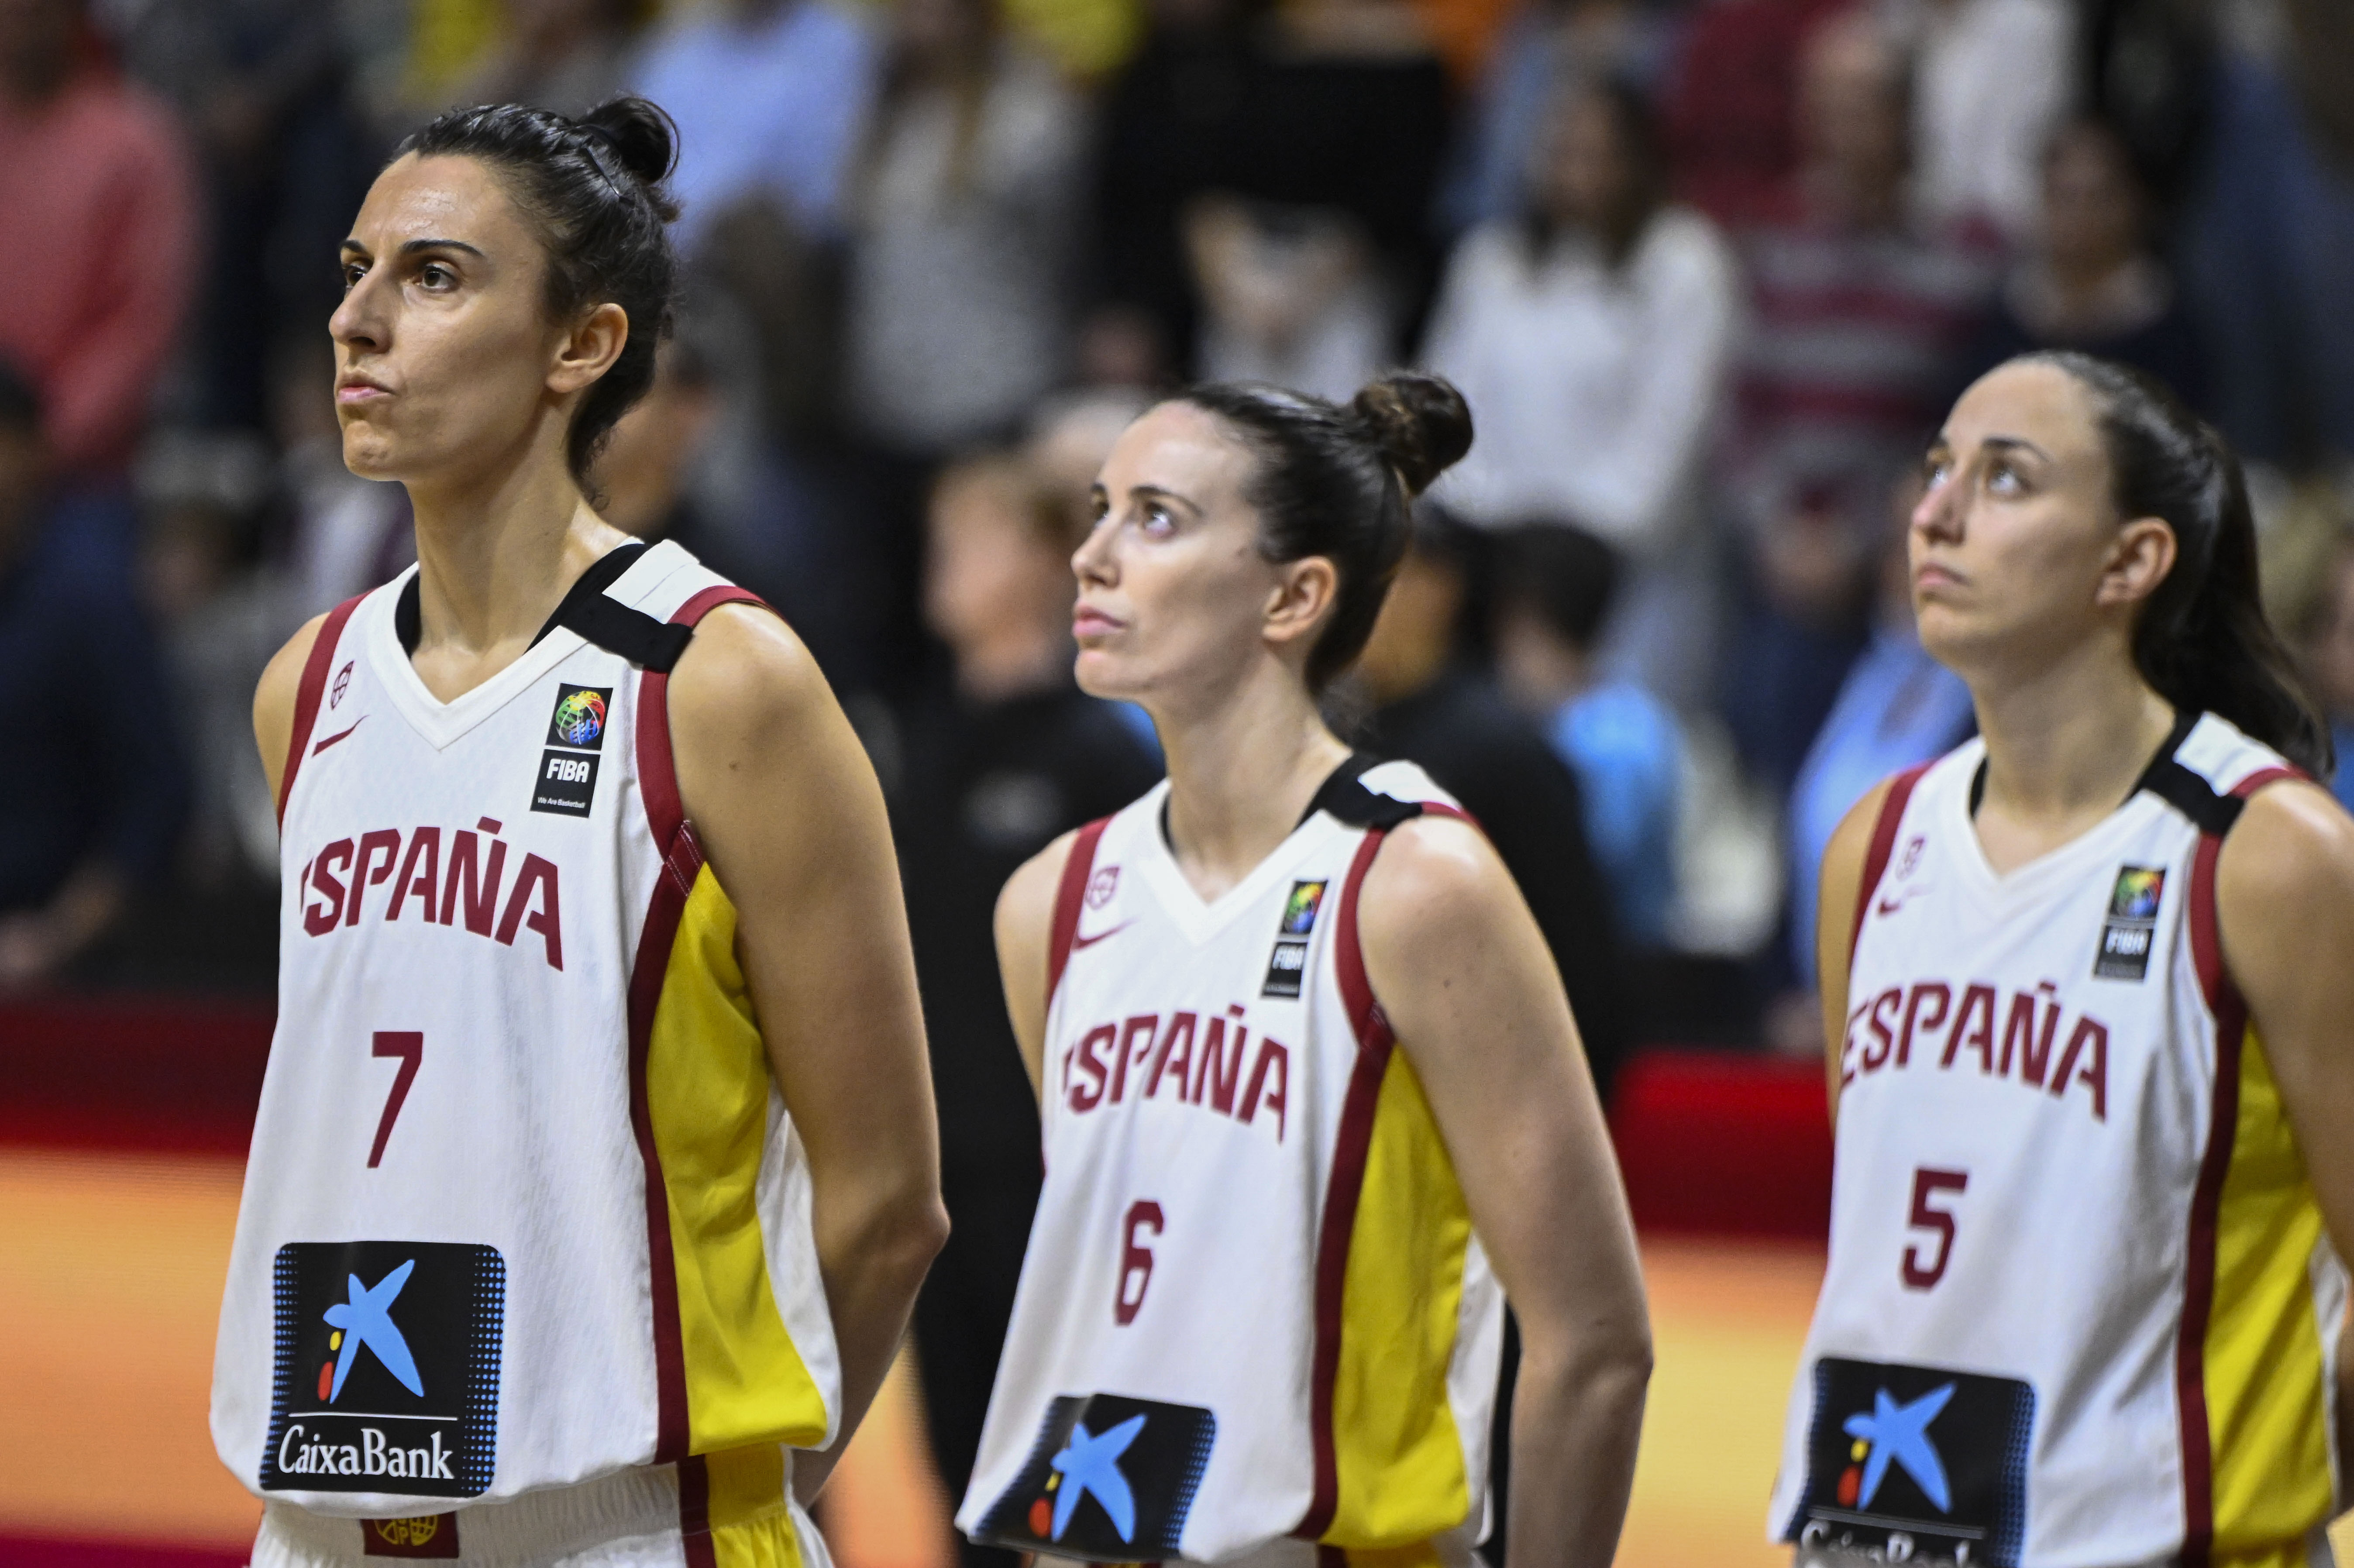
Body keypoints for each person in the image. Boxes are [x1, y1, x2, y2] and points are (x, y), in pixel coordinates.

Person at [209, 99, 948, 1568]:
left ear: (580, 345)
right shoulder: (310, 685)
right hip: (322, 1510)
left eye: (432, 277)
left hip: (632, 1520)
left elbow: (886, 1210)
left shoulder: (721, 678)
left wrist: (749, 1482)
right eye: (356, 269)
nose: (356, 320)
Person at [957, 375, 1651, 1567]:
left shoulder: (1420, 887)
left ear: (1294, 596)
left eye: (1156, 518)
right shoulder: (1049, 905)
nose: (1089, 556)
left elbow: (1594, 1346)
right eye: (1098, 508)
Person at [1772, 352, 2354, 1563]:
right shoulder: (1876, 848)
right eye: (1936, 470)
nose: (1933, 511)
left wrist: (2266, 1475)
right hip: (1866, 1529)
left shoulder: (2268, 852)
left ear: (2132, 562)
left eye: (2007, 479)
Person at [889, 453, 1162, 1568]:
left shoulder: (1102, 748)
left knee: (1071, 1479)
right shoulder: (914, 741)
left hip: (1059, 1173)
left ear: (1051, 567)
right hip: (936, 1165)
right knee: (955, 1466)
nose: (946, 561)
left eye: (978, 537)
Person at [1421, 74, 1737, 705]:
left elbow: (1670, 433)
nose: (1576, 173)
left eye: (1596, 155)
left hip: (1628, 571)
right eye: (1561, 152)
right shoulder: (1494, 259)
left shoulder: (1685, 263)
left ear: (1638, 161)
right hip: (1493, 557)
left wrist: (1564, 560)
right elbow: (1445, 405)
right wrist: (1489, 537)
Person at [0, 359, 190, 984]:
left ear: (31, 453)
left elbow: (156, 798)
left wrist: (55, 938)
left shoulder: (92, 604)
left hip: (56, 967)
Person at [843, 0, 1085, 459]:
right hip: (891, 400)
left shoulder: (1029, 111)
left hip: (997, 391)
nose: (925, 21)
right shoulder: (881, 114)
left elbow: (1066, 249)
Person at [0, 0, 197, 478]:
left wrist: (40, 448)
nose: (22, 20)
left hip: (80, 473)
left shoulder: (135, 146)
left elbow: (141, 321)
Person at [1491, 522, 1684, 954]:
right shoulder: (1557, 720)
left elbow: (1577, 875)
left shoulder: (1616, 740)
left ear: (1524, 619)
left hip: (1613, 965)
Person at [1970, 117, 2206, 412]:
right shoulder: (2002, 317)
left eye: (2098, 198)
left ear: (2139, 204)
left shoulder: (2171, 334)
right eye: (2065, 196)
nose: (2079, 217)